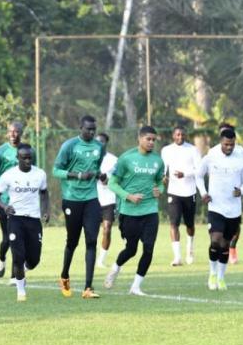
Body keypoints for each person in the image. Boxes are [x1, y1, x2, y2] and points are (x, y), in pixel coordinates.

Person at [103, 126, 165, 296]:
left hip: (150, 210)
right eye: (148, 139)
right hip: (129, 212)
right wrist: (128, 196)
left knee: (149, 249)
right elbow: (112, 183)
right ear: (139, 138)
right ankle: (115, 269)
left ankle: (136, 286)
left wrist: (160, 190)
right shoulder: (126, 159)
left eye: (154, 139)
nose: (151, 142)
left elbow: (160, 182)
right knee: (131, 249)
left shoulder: (158, 161)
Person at [52, 115, 106, 299]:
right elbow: (56, 170)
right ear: (80, 128)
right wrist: (77, 175)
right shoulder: (69, 146)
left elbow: (96, 169)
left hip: (91, 199)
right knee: (72, 241)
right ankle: (65, 275)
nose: (91, 132)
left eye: (94, 129)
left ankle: (88, 288)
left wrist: (100, 175)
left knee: (91, 240)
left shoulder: (99, 147)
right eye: (88, 129)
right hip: (72, 198)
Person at [195, 128, 243, 290]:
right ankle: (212, 274)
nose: (229, 147)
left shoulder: (242, 160)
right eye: (226, 144)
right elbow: (198, 175)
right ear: (221, 142)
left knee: (226, 244)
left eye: (232, 144)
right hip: (215, 207)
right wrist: (204, 193)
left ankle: (221, 277)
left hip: (234, 210)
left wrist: (241, 190)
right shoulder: (211, 156)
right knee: (215, 240)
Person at [0, 143, 49, 302]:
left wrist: (46, 210)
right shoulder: (9, 175)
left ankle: (22, 270)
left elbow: (44, 193)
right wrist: (4, 207)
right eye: (24, 158)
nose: (27, 161)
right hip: (15, 219)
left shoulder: (40, 174)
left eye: (30, 157)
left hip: (33, 219)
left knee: (34, 260)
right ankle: (21, 290)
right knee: (18, 255)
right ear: (17, 158)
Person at [0, 121, 23, 283]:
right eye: (10, 132)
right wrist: (4, 181)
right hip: (4, 202)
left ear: (21, 133)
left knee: (19, 238)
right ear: (7, 133)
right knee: (8, 238)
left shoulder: (27, 151)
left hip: (22, 202)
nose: (13, 135)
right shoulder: (0, 152)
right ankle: (2, 259)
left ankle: (15, 276)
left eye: (16, 132)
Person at [160, 126, 201, 266]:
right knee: (173, 223)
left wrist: (186, 174)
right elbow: (162, 168)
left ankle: (190, 250)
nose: (180, 137)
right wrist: (163, 177)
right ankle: (177, 257)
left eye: (183, 134)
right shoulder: (166, 150)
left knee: (189, 225)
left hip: (189, 192)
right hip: (174, 192)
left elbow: (199, 170)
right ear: (173, 136)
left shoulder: (193, 149)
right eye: (177, 134)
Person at [218, 123, 243, 264]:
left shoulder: (240, 151)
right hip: (218, 195)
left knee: (235, 225)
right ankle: (221, 249)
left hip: (235, 194)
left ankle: (232, 248)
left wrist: (241, 188)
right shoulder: (213, 152)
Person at [95, 132, 118, 268]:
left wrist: (106, 180)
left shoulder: (114, 160)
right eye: (97, 141)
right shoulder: (89, 158)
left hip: (109, 199)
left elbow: (117, 181)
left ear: (106, 143)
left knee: (107, 228)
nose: (99, 144)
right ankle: (91, 255)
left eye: (102, 141)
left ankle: (101, 260)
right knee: (91, 231)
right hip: (93, 199)